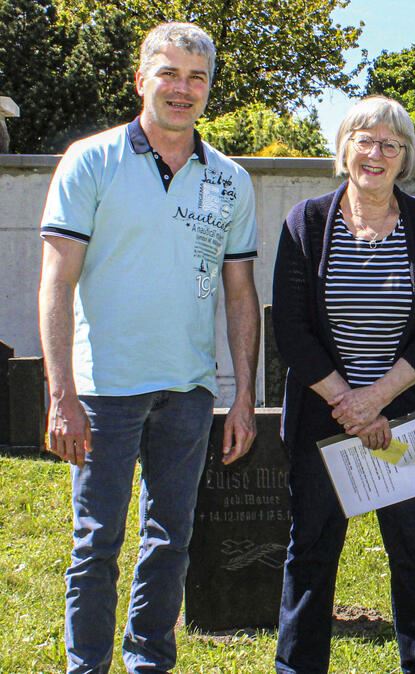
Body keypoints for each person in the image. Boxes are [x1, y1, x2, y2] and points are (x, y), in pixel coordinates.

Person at [37, 22, 260, 674]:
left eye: (196, 78)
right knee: (96, 542)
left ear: (209, 90)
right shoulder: (91, 160)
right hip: (103, 391)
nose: (182, 89)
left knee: (170, 541)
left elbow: (240, 294)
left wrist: (243, 396)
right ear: (142, 80)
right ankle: (88, 667)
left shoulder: (230, 181)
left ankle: (149, 663)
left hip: (187, 392)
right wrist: (61, 394)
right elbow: (56, 279)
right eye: (169, 73)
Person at [271, 95, 415, 674]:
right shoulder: (305, 222)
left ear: (405, 158)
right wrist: (347, 404)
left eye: (390, 144)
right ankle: (297, 666)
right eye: (365, 139)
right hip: (322, 417)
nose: (376, 153)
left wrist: (375, 401)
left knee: (413, 550)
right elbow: (292, 328)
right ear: (344, 148)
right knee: (312, 550)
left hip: (402, 416)